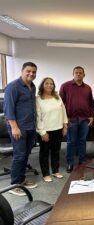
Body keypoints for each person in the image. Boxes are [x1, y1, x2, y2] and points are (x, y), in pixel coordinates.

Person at [4, 62, 38, 196]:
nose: (31, 74)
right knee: (19, 155)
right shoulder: (13, 87)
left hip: (30, 126)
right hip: (19, 127)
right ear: (22, 71)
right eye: (28, 71)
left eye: (34, 72)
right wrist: (14, 127)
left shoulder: (33, 86)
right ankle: (15, 184)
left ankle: (21, 179)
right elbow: (8, 109)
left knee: (26, 154)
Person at [59, 66, 94, 173]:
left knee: (82, 141)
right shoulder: (65, 86)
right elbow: (60, 104)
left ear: (84, 75)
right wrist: (65, 119)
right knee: (71, 142)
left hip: (84, 119)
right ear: (73, 74)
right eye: (76, 72)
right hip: (71, 119)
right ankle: (70, 163)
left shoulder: (88, 88)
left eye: (80, 73)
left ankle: (82, 161)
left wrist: (91, 116)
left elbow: (91, 104)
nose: (78, 74)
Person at [36, 77, 68, 182]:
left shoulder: (57, 97)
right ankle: (45, 174)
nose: (49, 85)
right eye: (47, 83)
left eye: (51, 84)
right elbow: (38, 117)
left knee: (56, 151)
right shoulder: (38, 99)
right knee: (44, 153)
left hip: (58, 129)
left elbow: (63, 112)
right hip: (45, 131)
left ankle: (55, 171)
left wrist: (65, 126)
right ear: (42, 85)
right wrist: (42, 132)